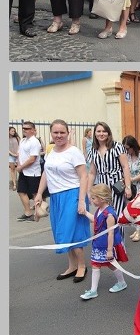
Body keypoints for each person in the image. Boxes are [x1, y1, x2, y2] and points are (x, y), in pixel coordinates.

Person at [33, 120, 90, 283]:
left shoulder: (74, 152)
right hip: (56, 197)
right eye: (55, 132)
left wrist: (81, 201)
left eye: (62, 132)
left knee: (74, 232)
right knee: (62, 233)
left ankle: (81, 266)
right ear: (51, 133)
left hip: (72, 195)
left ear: (67, 133)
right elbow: (46, 173)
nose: (58, 135)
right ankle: (71, 266)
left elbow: (84, 176)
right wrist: (38, 194)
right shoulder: (51, 152)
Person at [79, 183, 129, 300]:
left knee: (110, 264)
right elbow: (96, 221)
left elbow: (110, 233)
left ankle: (120, 283)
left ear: (101, 198)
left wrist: (110, 250)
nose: (91, 200)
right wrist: (86, 213)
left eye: (93, 198)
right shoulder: (100, 210)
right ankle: (94, 290)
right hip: (99, 243)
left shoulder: (109, 214)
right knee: (96, 265)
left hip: (106, 245)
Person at [86, 121, 132, 218]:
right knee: (104, 213)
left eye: (104, 131)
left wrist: (128, 187)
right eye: (98, 131)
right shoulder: (92, 150)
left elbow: (125, 167)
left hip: (117, 185)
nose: (101, 134)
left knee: (116, 214)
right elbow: (92, 173)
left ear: (108, 133)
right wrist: (89, 190)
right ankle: (106, 233)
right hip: (102, 187)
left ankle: (118, 233)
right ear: (95, 133)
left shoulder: (117, 146)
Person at [15, 122, 42, 221]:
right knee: (21, 191)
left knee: (35, 193)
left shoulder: (34, 142)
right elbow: (19, 154)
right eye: (23, 128)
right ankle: (28, 213)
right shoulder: (22, 140)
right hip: (23, 171)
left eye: (27, 128)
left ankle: (38, 213)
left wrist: (21, 167)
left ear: (33, 130)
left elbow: (32, 159)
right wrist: (18, 165)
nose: (24, 130)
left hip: (33, 172)